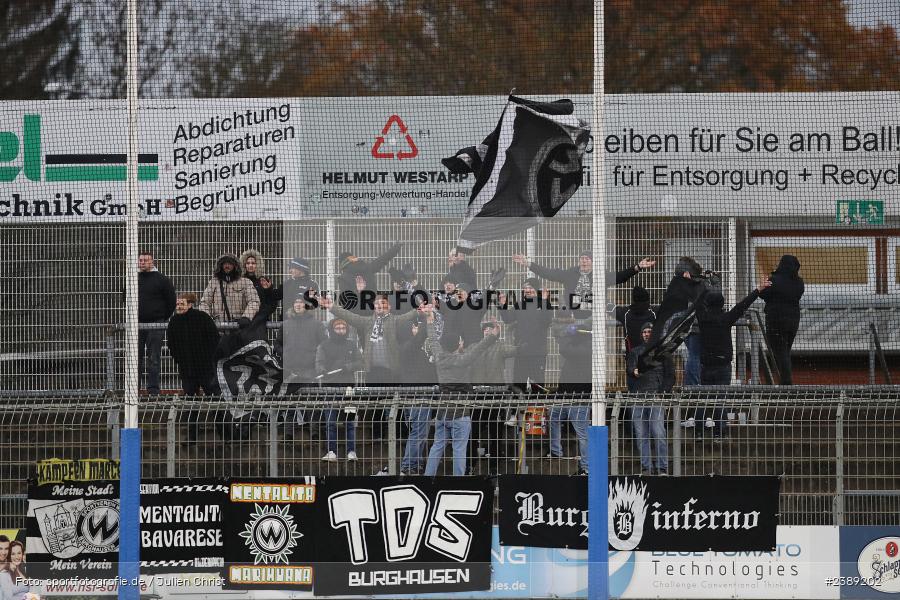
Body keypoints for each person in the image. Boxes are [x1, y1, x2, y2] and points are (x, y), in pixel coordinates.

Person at [423, 305, 500, 476]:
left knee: (437, 447)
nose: (462, 342)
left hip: (442, 413)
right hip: (461, 412)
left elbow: (433, 340)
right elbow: (480, 347)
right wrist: (494, 334)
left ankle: (427, 479)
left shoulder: (439, 358)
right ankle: (459, 481)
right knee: (459, 449)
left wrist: (429, 321)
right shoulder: (464, 360)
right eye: (460, 341)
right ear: (458, 345)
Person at [513, 252, 655, 318]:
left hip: (594, 317)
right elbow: (548, 273)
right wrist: (528, 264)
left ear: (592, 261)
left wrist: (638, 267)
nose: (584, 261)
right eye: (582, 259)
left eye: (587, 259)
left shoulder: (600, 275)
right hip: (573, 316)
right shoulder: (570, 274)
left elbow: (620, 277)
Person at [651, 257, 707, 385]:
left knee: (694, 355)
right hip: (695, 324)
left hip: (691, 324)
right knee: (694, 355)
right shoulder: (699, 283)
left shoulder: (688, 284)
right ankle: (693, 385)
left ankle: (692, 384)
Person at [548, 318, 591, 474]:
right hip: (564, 396)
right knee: (553, 417)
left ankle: (585, 467)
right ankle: (555, 452)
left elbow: (564, 349)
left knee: (582, 433)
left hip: (580, 399)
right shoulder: (578, 345)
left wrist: (568, 334)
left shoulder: (587, 348)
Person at [316, 318, 363, 462]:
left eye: (343, 327)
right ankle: (331, 452)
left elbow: (360, 361)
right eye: (338, 327)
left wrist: (348, 367)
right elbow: (319, 362)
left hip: (348, 389)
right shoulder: (324, 345)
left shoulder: (351, 345)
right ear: (332, 329)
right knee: (330, 422)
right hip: (330, 389)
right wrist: (322, 370)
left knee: (349, 422)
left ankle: (351, 451)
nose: (341, 330)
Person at [396, 316, 438, 475]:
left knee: (420, 433)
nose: (416, 329)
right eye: (413, 327)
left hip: (418, 397)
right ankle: (407, 466)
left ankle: (415, 464)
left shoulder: (413, 351)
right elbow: (420, 337)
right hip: (417, 398)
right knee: (418, 433)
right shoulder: (408, 348)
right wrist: (428, 321)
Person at [627, 323, 669, 476]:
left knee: (659, 433)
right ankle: (646, 468)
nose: (646, 334)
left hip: (655, 397)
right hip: (638, 397)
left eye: (649, 331)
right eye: (644, 331)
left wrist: (663, 392)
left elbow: (670, 375)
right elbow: (630, 369)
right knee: (641, 435)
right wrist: (634, 371)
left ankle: (662, 468)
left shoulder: (663, 351)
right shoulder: (635, 351)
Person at [498, 278, 554, 393]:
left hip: (537, 353)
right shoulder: (519, 304)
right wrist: (502, 305)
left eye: (530, 287)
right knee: (518, 385)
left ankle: (537, 409)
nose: (527, 290)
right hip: (521, 352)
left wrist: (544, 301)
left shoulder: (544, 303)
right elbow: (508, 319)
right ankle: (518, 409)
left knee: (537, 385)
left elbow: (546, 321)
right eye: (525, 288)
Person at [759, 255, 804, 385]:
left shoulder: (774, 280)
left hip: (775, 320)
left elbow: (762, 294)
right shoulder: (799, 282)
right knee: (785, 351)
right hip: (793, 320)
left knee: (779, 351)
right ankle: (782, 380)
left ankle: (785, 383)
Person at [137, 250, 176, 395]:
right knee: (136, 358)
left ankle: (153, 389)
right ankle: (134, 389)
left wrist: (162, 317)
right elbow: (125, 297)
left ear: (152, 262)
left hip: (156, 323)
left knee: (154, 357)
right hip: (137, 323)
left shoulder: (162, 280)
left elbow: (171, 300)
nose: (143, 263)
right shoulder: (133, 279)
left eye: (146, 260)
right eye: (141, 260)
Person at [167, 293, 221, 396]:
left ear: (190, 305)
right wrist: (178, 359)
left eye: (182, 304)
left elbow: (214, 339)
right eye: (177, 304)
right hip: (186, 366)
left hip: (204, 365)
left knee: (211, 391)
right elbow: (171, 343)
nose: (178, 307)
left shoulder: (203, 318)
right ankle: (193, 413)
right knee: (189, 393)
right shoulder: (174, 321)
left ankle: (216, 412)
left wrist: (209, 357)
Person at [198, 254, 260, 327]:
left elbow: (254, 301)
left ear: (235, 266)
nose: (227, 266)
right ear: (220, 266)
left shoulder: (245, 282)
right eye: (224, 263)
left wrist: (246, 317)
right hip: (218, 327)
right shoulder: (213, 282)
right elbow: (204, 303)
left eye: (230, 263)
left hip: (238, 327)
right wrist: (207, 319)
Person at [337, 243, 402, 310]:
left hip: (355, 312)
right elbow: (383, 259)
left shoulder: (343, 278)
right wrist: (397, 247)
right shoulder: (367, 268)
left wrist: (359, 292)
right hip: (372, 308)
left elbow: (347, 300)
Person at [276, 297, 327, 384]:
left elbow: (324, 345)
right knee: (289, 397)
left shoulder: (317, 324)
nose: (298, 305)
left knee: (309, 396)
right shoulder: (285, 324)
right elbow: (277, 343)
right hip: (289, 370)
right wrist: (284, 353)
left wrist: (316, 359)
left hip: (310, 371)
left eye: (301, 302)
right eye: (296, 302)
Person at [615, 286, 657, 392]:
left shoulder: (625, 313)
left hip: (632, 362)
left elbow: (609, 307)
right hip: (652, 360)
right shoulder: (655, 312)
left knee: (634, 394)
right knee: (652, 392)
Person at [239, 249, 279, 324]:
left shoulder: (263, 281)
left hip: (260, 322)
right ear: (244, 265)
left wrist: (268, 290)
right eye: (248, 263)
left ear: (258, 264)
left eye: (253, 263)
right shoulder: (239, 281)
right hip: (243, 320)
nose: (250, 265)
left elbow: (272, 302)